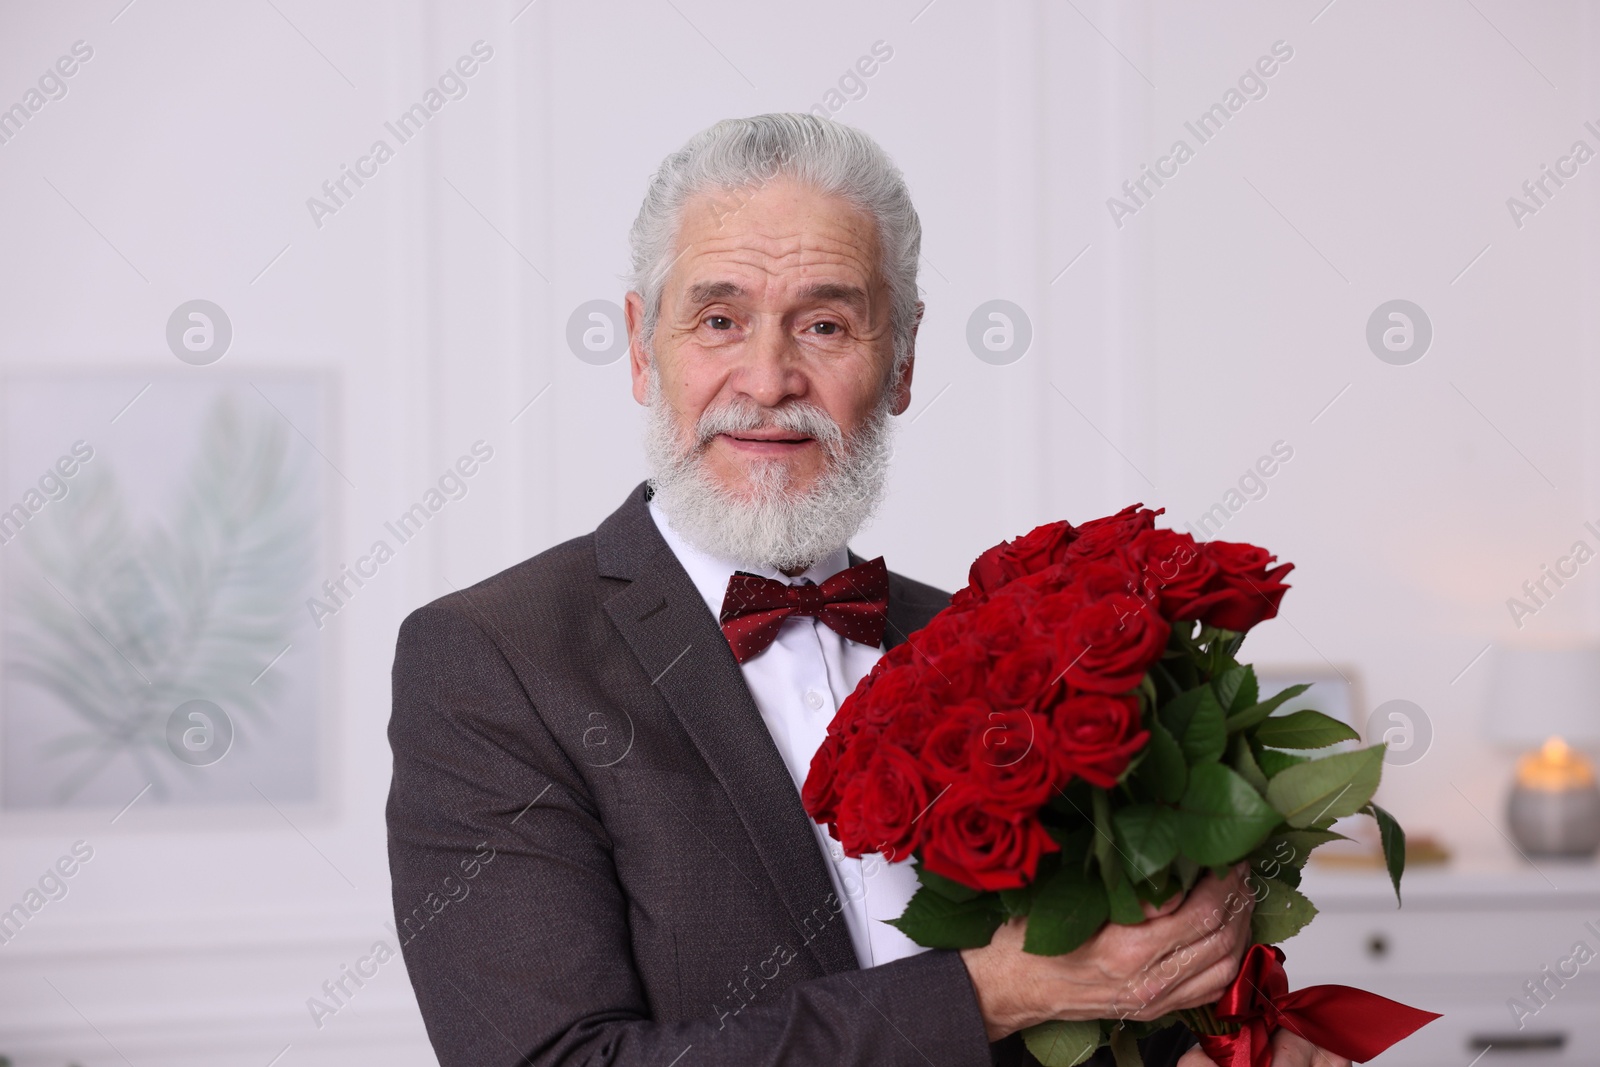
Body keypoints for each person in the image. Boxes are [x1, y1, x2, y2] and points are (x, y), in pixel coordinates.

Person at [386, 113, 1350, 1067]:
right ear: (644, 347)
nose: (767, 380)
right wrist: (986, 997)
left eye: (826, 323)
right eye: (719, 319)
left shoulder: (990, 645)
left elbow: (1088, 1007)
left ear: (903, 358)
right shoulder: (493, 660)